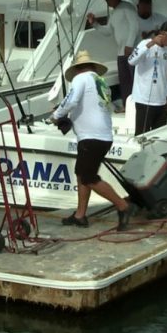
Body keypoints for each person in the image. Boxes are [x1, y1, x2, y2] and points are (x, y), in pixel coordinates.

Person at [52, 50, 135, 231]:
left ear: (78, 69)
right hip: (103, 136)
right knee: (82, 174)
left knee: (88, 177)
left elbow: (71, 100)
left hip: (92, 137)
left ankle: (123, 206)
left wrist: (56, 115)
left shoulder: (81, 79)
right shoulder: (100, 82)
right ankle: (80, 216)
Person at [87, 0, 139, 107]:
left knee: (135, 79)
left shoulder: (127, 7)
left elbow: (134, 26)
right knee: (125, 81)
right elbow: (108, 32)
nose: (107, 1)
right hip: (121, 52)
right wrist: (95, 23)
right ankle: (127, 107)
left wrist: (129, 45)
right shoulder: (114, 13)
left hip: (131, 51)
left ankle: (138, 106)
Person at [128, 21, 167, 135]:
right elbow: (131, 61)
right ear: (164, 34)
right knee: (142, 136)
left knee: (159, 136)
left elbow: (163, 73)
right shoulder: (144, 43)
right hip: (144, 100)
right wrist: (150, 44)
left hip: (161, 101)